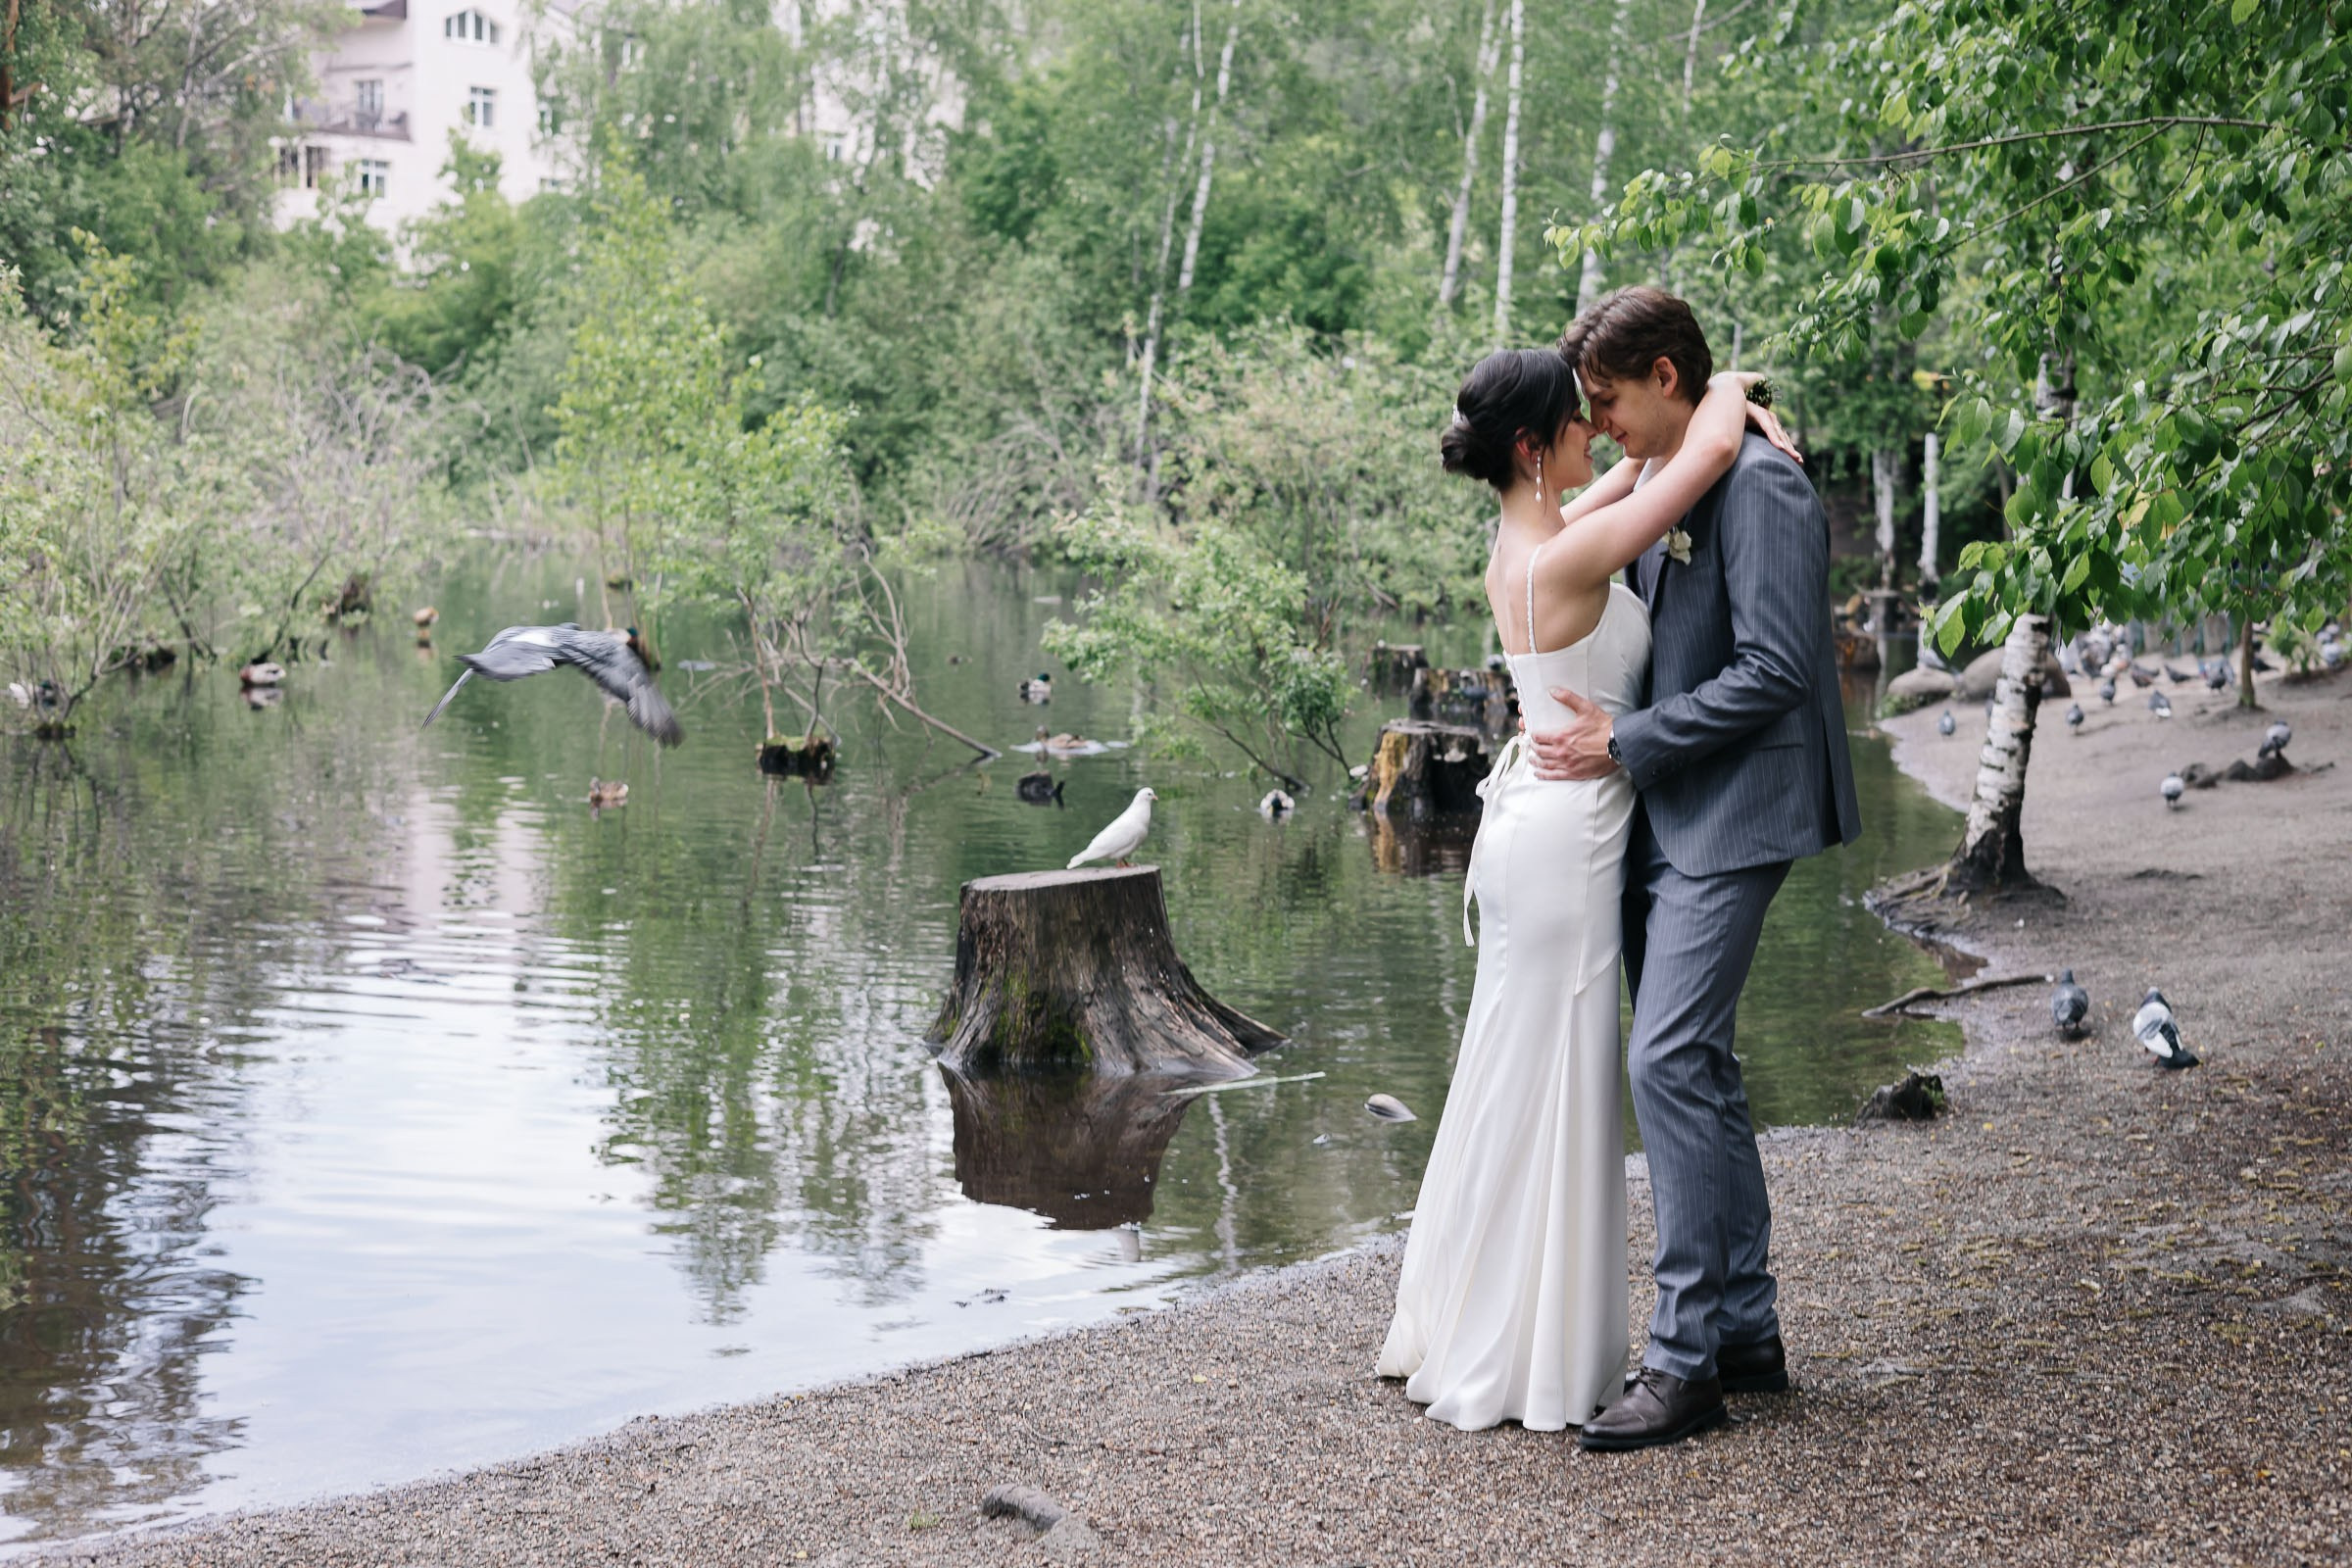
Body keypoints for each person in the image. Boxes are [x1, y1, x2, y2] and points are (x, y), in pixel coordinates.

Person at [1377, 343, 1793, 1434]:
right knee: (1554, 1082)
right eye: (1578, 418)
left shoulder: (1526, 537)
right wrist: (1733, 395)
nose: (1597, 432)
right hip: (1566, 842)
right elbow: (1692, 464)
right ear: (1531, 445)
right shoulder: (1564, 557)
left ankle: (1476, 1308)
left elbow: (1638, 480)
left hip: (1537, 830)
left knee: (1510, 1072)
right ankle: (1529, 1345)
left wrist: (1708, 409)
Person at [1528, 287, 1861, 1452]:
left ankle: (1685, 1364)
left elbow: (1776, 669)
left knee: (1663, 1054)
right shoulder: (1689, 465)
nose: (1602, 422)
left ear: (1667, 377)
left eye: (1611, 398)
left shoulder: (1762, 485)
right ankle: (1747, 1333)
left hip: (1740, 806)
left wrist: (1621, 741)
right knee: (1699, 1062)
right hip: (1673, 809)